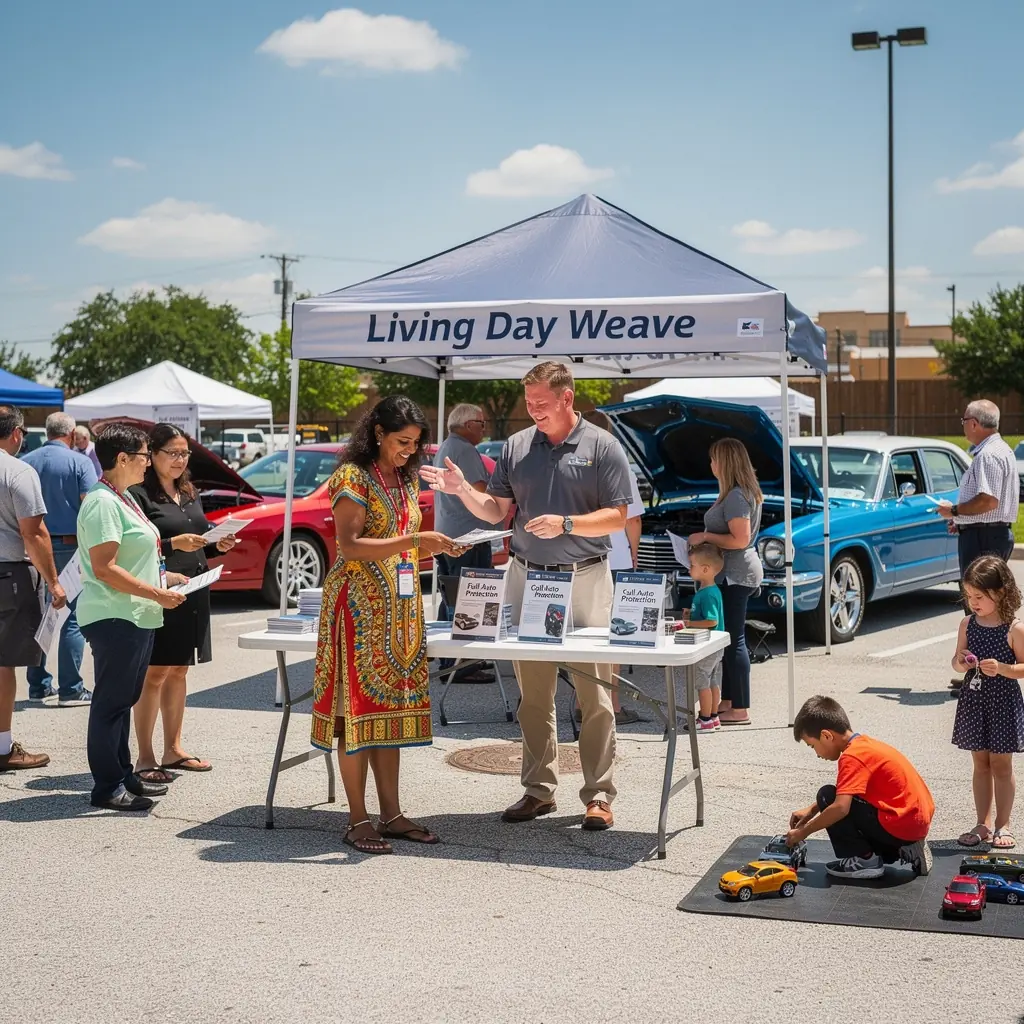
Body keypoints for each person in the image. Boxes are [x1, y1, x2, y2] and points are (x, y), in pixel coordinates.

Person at [422, 361, 634, 831]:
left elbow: (619, 516)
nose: (533, 411)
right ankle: (539, 789)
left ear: (567, 398)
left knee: (595, 695)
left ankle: (598, 794)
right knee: (532, 695)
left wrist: (567, 523)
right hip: (528, 578)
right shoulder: (518, 446)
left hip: (586, 579)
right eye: (529, 403)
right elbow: (497, 511)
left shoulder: (602, 446)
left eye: (541, 403)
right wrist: (461, 492)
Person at [310, 396, 463, 854]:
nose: (408, 450)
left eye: (415, 444)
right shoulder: (351, 477)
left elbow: (400, 545)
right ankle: (358, 818)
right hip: (356, 610)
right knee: (354, 715)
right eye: (401, 441)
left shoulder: (404, 477)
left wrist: (431, 549)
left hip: (399, 609)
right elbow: (352, 546)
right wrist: (417, 540)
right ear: (377, 432)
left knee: (388, 716)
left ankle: (392, 814)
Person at [76, 423, 187, 811]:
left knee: (123, 700)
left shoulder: (122, 498)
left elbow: (135, 557)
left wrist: (166, 577)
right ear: (121, 459)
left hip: (134, 614)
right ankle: (107, 787)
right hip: (114, 616)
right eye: (143, 456)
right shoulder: (103, 502)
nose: (147, 463)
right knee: (110, 703)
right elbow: (104, 568)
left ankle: (123, 776)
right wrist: (156, 592)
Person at [129, 424, 238, 781]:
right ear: (153, 455)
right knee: (155, 672)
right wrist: (176, 544)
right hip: (160, 589)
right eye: (172, 453)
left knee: (179, 669)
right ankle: (145, 757)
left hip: (194, 587)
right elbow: (136, 546)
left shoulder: (189, 491)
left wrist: (214, 545)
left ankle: (173, 749)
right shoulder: (139, 495)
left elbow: (197, 537)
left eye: (184, 454)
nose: (179, 460)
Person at [786, 694, 934, 879]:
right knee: (832, 797)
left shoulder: (851, 757)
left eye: (812, 746)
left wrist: (803, 832)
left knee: (826, 795)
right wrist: (811, 810)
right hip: (912, 823)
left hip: (899, 826)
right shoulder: (864, 745)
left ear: (826, 735)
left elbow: (840, 807)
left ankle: (865, 861)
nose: (816, 754)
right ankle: (907, 848)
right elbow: (850, 791)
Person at [0, 405, 65, 771]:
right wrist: (54, 582)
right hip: (8, 574)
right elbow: (34, 532)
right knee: (3, 664)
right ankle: (3, 746)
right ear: (17, 433)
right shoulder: (18, 471)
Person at [937, 400, 1018, 693]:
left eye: (964, 421)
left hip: (985, 536)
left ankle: (983, 673)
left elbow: (988, 500)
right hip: (988, 532)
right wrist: (962, 521)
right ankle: (981, 669)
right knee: (986, 602)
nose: (964, 426)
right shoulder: (1002, 450)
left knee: (979, 602)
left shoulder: (987, 455)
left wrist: (955, 511)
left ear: (974, 423)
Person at [21, 411, 97, 707]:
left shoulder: (26, 462)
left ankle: (39, 686)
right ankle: (71, 687)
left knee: (39, 617)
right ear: (69, 434)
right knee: (72, 617)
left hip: (32, 546)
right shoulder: (80, 462)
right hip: (69, 547)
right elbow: (89, 504)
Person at [950, 555, 1024, 850]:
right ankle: (982, 822)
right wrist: (961, 663)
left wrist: (1004, 669)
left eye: (979, 596)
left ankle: (1002, 824)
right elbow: (956, 663)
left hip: (1003, 702)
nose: (972, 602)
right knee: (980, 764)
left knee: (1001, 765)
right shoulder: (967, 624)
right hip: (974, 700)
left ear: (1000, 592)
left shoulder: (1014, 628)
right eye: (968, 596)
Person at [688, 438, 763, 726]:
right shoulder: (738, 493)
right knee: (729, 638)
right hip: (734, 572)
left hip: (736, 573)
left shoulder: (735, 496)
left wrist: (704, 537)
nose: (711, 465)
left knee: (734, 640)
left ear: (726, 462)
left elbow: (740, 539)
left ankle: (740, 708)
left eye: (714, 459)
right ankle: (729, 702)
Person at [586, 409, 645, 725]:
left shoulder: (568, 466)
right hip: (617, 560)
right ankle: (613, 706)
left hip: (579, 559)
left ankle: (586, 702)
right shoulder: (617, 465)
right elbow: (632, 518)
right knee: (616, 634)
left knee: (584, 633)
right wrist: (634, 553)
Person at [433, 403, 495, 684]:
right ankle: (463, 665)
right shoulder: (466, 450)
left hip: (448, 534)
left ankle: (450, 660)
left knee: (451, 598)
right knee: (471, 597)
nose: (484, 428)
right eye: (481, 423)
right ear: (468, 424)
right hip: (470, 536)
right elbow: (480, 493)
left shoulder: (447, 445)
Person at [683, 543, 726, 732]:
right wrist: (690, 615)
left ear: (705, 569)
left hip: (708, 645)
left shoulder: (707, 594)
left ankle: (705, 719)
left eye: (692, 565)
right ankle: (714, 717)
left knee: (702, 682)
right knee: (713, 681)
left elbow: (711, 620)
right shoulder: (710, 591)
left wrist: (689, 624)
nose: (689, 568)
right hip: (716, 646)